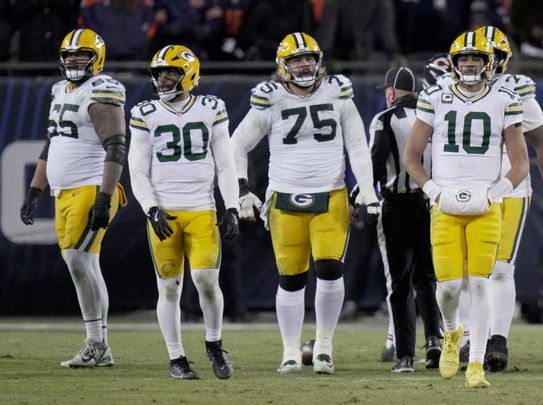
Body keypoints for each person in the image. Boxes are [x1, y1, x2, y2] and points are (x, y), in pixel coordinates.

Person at [231, 32, 380, 375]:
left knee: (330, 271)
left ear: (319, 60)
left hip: (330, 194)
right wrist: (241, 189)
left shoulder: (338, 92)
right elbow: (236, 145)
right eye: (296, 59)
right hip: (284, 197)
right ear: (282, 65)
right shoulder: (271, 98)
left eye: (309, 58)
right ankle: (289, 351)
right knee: (291, 279)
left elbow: (358, 145)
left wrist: (367, 190)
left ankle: (324, 346)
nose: (304, 64)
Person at [403, 31, 529, 388]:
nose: (470, 65)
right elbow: (411, 156)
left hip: (486, 204)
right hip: (445, 203)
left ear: (488, 63)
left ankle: (476, 365)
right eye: (463, 59)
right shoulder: (435, 95)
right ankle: (451, 332)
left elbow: (520, 165)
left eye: (476, 59)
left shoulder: (505, 97)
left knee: (480, 283)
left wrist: (495, 194)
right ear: (454, 63)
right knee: (447, 289)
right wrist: (433, 192)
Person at [128, 45, 238, 380]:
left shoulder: (210, 108)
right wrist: (150, 208)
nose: (163, 79)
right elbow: (137, 169)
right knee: (169, 288)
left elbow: (226, 163)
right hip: (165, 212)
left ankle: (214, 343)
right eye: (159, 73)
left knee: (206, 279)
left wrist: (231, 205)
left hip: (202, 209)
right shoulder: (145, 112)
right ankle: (176, 358)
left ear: (188, 75)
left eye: (171, 72)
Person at [19, 28, 127, 367]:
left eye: (82, 54)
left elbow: (116, 145)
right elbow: (53, 141)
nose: (74, 60)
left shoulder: (103, 88)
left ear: (98, 58)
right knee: (82, 262)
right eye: (69, 54)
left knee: (79, 261)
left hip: (93, 185)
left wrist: (104, 197)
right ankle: (99, 345)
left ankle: (98, 343)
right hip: (64, 190)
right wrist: (35, 189)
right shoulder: (59, 90)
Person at [475, 25, 543, 372]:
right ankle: (468, 338)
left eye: (487, 57)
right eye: (474, 57)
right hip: (462, 186)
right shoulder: (446, 92)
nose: (479, 65)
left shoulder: (516, 90)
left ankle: (497, 340)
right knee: (467, 270)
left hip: (509, 187)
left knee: (499, 268)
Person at [364, 66, 442, 373]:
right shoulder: (432, 117)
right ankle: (435, 341)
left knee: (399, 284)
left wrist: (364, 197)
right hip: (430, 204)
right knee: (427, 279)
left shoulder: (385, 119)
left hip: (396, 206)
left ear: (391, 92)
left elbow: (375, 164)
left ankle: (405, 355)